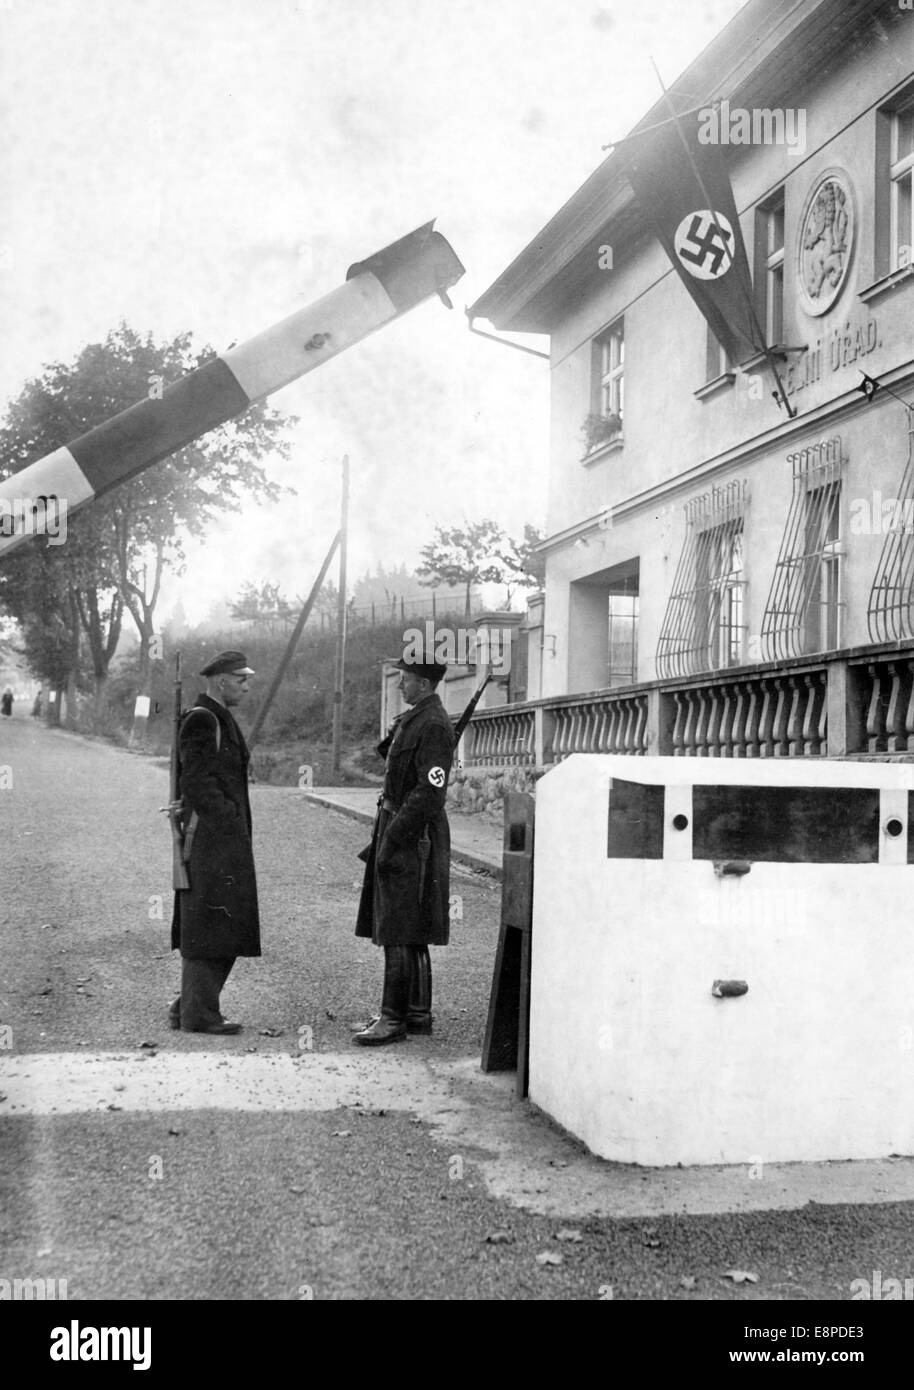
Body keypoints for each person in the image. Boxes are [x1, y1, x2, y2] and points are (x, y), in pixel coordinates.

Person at [353, 649, 454, 1045]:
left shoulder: (432, 725)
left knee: (398, 925)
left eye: (406, 679)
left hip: (415, 836)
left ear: (424, 684)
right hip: (405, 828)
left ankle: (392, 1020)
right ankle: (416, 1014)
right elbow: (393, 761)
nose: (400, 684)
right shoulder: (415, 720)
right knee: (410, 924)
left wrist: (394, 837)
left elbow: (431, 792)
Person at [169, 650, 260, 1035]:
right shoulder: (203, 720)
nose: (246, 685)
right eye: (241, 679)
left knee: (223, 923)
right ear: (222, 681)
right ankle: (198, 1014)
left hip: (220, 839)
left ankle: (189, 1006)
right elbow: (197, 783)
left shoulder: (216, 716)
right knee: (212, 924)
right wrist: (231, 821)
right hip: (210, 841)